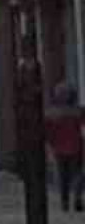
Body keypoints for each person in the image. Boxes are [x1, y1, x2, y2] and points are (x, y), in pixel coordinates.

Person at [44, 82, 84, 212]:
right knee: (78, 174)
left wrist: (49, 146)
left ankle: (64, 202)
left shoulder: (51, 113)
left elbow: (47, 133)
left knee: (62, 177)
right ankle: (77, 197)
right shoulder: (78, 112)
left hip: (58, 149)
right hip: (76, 147)